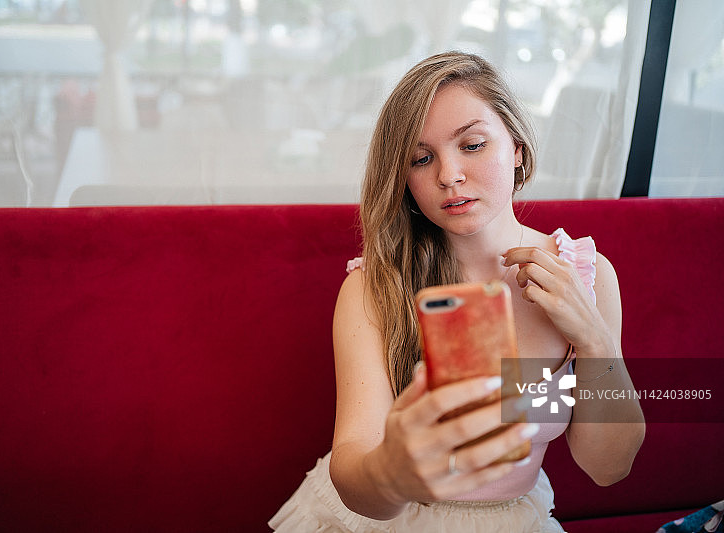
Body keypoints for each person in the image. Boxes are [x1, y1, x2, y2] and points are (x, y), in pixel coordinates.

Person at [269, 51, 645, 532]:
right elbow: (354, 463)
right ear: (404, 181)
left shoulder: (587, 276)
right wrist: (391, 474)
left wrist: (595, 342)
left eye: (472, 144)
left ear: (518, 150)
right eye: (421, 159)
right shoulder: (373, 286)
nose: (448, 175)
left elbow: (607, 468)